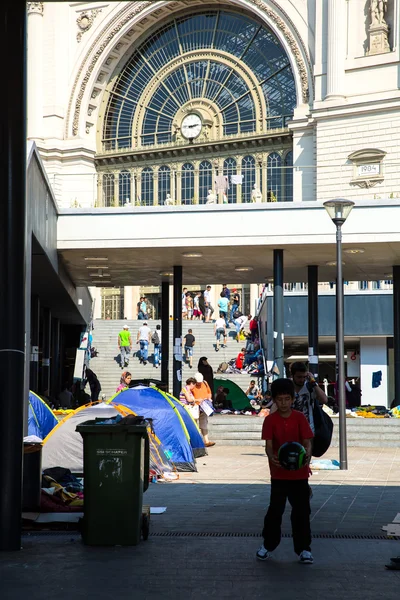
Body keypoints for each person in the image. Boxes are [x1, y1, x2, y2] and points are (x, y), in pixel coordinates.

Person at [257, 378, 314, 564]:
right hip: (279, 474)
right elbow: (268, 445)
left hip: (299, 475)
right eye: (279, 399)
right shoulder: (270, 421)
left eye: (287, 399)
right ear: (274, 399)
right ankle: (268, 545)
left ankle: (304, 549)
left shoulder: (299, 418)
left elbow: (307, 441)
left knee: (301, 512)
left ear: (292, 399)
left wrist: (307, 455)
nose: (283, 403)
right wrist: (271, 457)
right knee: (275, 511)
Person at [290, 362, 328, 431]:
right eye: (299, 377)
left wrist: (313, 381)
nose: (302, 380)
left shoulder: (310, 387)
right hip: (290, 428)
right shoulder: (288, 387)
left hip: (308, 429)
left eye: (304, 377)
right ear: (292, 376)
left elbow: (324, 400)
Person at [192, 372, 215, 447]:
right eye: (198, 383)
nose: (199, 384)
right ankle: (197, 441)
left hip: (204, 406)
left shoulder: (205, 383)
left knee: (204, 423)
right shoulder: (192, 384)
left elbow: (209, 392)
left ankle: (206, 440)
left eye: (200, 382)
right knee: (194, 424)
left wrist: (208, 398)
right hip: (195, 406)